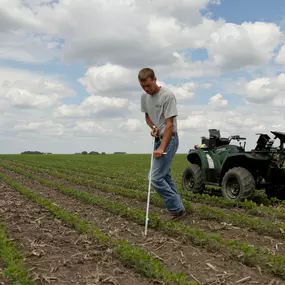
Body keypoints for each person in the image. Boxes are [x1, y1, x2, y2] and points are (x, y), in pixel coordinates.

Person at [138, 67, 186, 221]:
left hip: (169, 139)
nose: (146, 89)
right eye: (143, 86)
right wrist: (153, 128)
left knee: (155, 177)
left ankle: (176, 209)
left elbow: (169, 124)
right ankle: (179, 206)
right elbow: (147, 117)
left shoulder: (167, 96)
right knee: (164, 175)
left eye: (148, 85)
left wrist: (161, 148)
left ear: (154, 79)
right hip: (158, 137)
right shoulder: (144, 97)